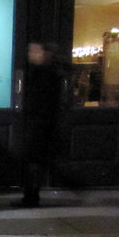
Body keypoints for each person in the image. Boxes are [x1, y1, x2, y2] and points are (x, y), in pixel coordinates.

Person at [15, 41, 68, 207]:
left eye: (35, 51)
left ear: (44, 54)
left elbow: (43, 103)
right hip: (40, 125)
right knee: (35, 162)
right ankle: (30, 195)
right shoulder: (44, 72)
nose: (31, 54)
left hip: (40, 126)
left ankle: (31, 197)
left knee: (33, 162)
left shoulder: (46, 74)